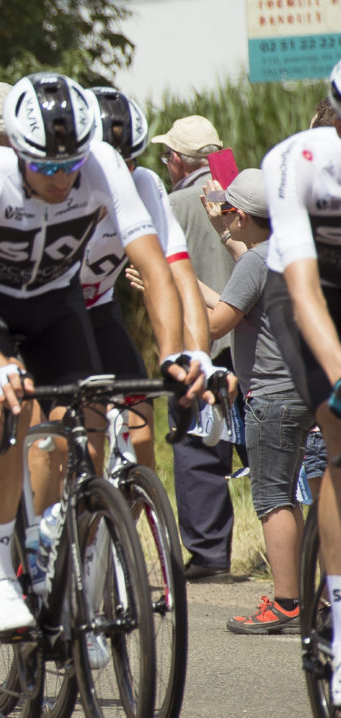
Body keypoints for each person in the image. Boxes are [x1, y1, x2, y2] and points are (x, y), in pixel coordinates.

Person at [0, 72, 203, 636]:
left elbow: (156, 269)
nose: (63, 179)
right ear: (16, 150)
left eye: (71, 166)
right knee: (4, 410)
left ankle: (54, 540)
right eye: (47, 167)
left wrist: (174, 355)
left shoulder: (104, 164)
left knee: (87, 416)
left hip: (56, 305)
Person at [194, 169, 312, 633]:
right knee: (293, 496)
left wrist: (178, 299)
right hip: (306, 391)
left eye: (229, 213)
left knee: (272, 499)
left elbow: (217, 324)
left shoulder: (254, 262)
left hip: (271, 394)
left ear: (240, 214)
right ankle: (306, 592)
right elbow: (239, 296)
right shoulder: (291, 253)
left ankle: (286, 603)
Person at [261, 60, 341, 703]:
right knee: (339, 437)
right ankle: (340, 624)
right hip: (308, 294)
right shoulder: (304, 158)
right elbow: (304, 289)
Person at [83, 87, 211, 471]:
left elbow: (177, 278)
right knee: (83, 431)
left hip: (99, 309)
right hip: (50, 310)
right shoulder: (63, 190)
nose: (122, 172)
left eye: (131, 160)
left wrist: (190, 355)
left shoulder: (144, 185)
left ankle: (123, 522)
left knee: (140, 425)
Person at [151, 114, 240, 580]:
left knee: (197, 447)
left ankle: (209, 555)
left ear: (176, 162)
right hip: (250, 340)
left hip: (199, 338)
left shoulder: (173, 203)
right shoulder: (240, 191)